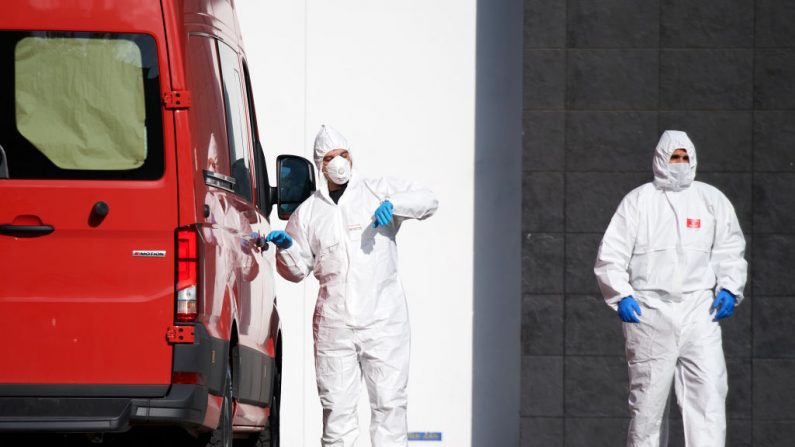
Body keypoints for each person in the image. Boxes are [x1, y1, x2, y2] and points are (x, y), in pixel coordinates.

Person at [263, 125, 438, 447]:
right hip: (334, 324)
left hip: (384, 319)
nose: (339, 162)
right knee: (336, 410)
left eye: (343, 154)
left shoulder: (376, 191)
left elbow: (428, 200)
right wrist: (286, 247)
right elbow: (298, 271)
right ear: (320, 164)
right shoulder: (308, 213)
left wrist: (395, 204)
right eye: (331, 157)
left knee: (389, 405)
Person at [593, 130, 747, 447]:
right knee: (647, 405)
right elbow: (611, 254)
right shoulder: (638, 201)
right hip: (650, 312)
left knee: (709, 398)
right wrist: (621, 295)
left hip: (699, 311)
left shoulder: (710, 199)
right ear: (661, 158)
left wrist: (730, 288)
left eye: (684, 156)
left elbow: (730, 248)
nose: (679, 162)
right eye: (673, 156)